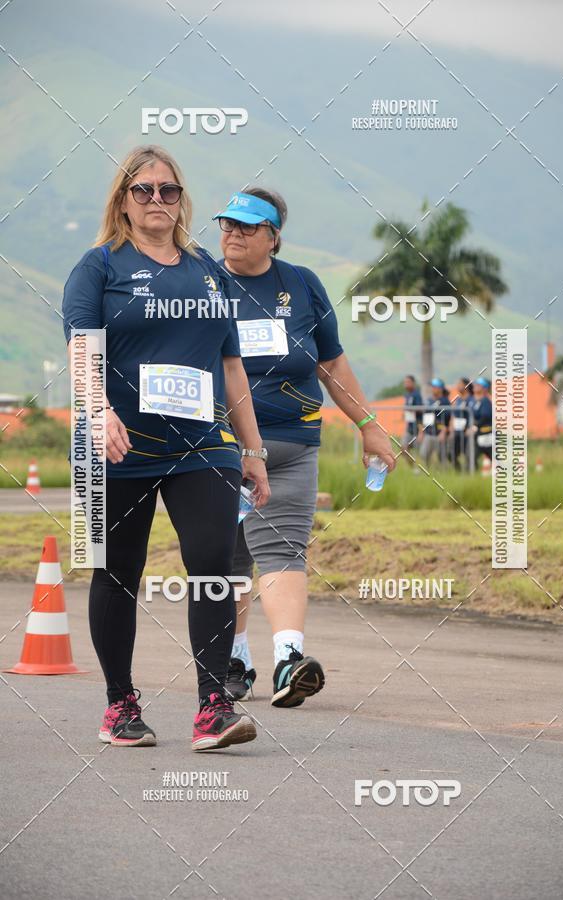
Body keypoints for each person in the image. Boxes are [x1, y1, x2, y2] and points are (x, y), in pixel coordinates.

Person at [62, 145, 270, 751]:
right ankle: (119, 704)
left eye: (169, 191)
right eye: (144, 190)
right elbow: (81, 347)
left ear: (183, 200)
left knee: (213, 563)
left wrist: (252, 450)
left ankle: (213, 707)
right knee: (117, 572)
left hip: (203, 445)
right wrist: (98, 411)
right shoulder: (99, 266)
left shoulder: (207, 270)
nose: (157, 200)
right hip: (118, 445)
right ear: (122, 202)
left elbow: (231, 366)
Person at [212, 188, 396, 706]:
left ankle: (289, 660)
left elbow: (331, 363)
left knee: (283, 549)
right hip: (221, 446)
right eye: (227, 225)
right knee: (227, 558)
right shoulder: (202, 282)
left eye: (248, 228)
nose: (234, 235)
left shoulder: (302, 284)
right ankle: (234, 659)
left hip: (293, 442)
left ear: (274, 236)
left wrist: (369, 425)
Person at [420, 378, 451, 466]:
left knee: (441, 456)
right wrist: (421, 431)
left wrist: (444, 431)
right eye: (432, 387)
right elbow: (425, 416)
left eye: (435, 387)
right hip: (428, 432)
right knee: (424, 454)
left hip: (439, 433)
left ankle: (444, 474)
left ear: (440, 388)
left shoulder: (445, 401)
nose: (432, 388)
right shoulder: (429, 400)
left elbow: (448, 418)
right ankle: (428, 470)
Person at [449, 377, 474, 471]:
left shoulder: (472, 399)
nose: (457, 386)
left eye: (460, 384)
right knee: (451, 454)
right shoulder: (458, 400)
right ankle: (459, 471)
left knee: (469, 455)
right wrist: (451, 429)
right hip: (457, 433)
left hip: (467, 433)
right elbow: (453, 415)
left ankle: (470, 473)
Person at [469, 377, 493, 464]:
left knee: (493, 456)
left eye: (478, 385)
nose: (475, 386)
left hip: (486, 434)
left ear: (484, 388)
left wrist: (475, 426)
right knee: (472, 456)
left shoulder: (485, 401)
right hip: (479, 435)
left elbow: (485, 416)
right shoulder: (475, 400)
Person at [401, 375, 422, 468]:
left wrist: (411, 410)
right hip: (409, 427)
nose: (406, 384)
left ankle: (419, 468)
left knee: (419, 451)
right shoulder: (407, 395)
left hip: (418, 427)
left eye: (408, 382)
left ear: (413, 383)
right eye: (405, 382)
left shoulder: (417, 395)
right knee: (403, 448)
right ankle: (413, 467)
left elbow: (420, 409)